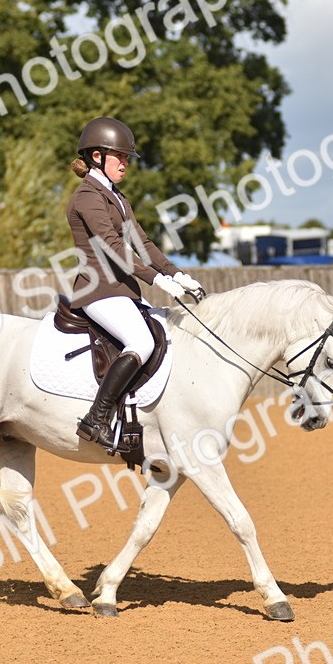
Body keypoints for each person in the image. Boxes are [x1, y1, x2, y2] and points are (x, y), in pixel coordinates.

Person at [66, 116, 205, 452]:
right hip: (97, 290)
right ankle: (96, 419)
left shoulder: (116, 196)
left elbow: (142, 243)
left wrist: (175, 274)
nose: (126, 163)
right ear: (97, 156)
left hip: (122, 291)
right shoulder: (87, 196)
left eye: (127, 158)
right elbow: (114, 247)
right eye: (121, 157)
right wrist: (156, 280)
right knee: (141, 341)